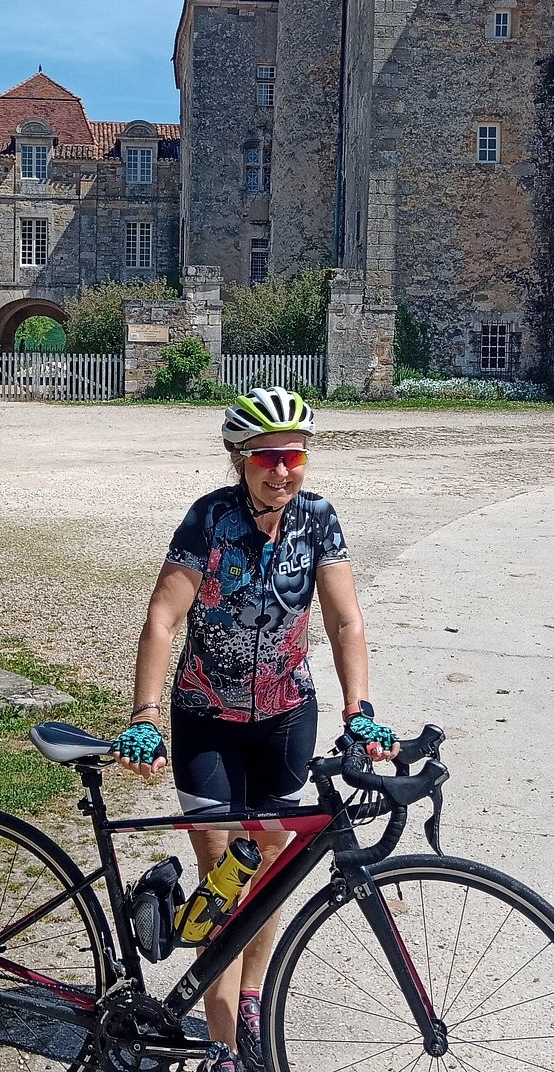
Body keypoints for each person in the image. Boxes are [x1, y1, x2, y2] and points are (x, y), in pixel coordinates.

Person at [110, 386, 397, 1072]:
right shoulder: (208, 521)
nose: (282, 469)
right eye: (267, 456)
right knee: (223, 880)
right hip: (207, 720)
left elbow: (345, 619)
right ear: (240, 458)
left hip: (285, 719)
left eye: (293, 455)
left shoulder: (318, 520)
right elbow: (162, 616)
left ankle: (249, 1001)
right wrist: (145, 713)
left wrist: (360, 709)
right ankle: (220, 1048)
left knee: (268, 873)